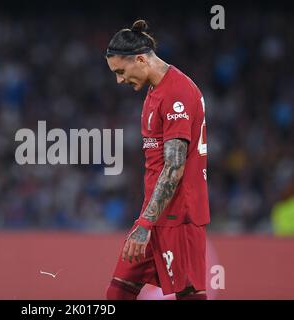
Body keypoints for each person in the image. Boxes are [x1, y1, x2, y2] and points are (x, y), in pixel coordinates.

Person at [105, 19, 210, 300]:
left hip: (179, 215)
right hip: (155, 214)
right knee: (118, 292)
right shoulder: (155, 89)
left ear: (139, 59)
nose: (119, 80)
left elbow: (174, 166)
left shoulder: (177, 92)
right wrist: (147, 219)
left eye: (120, 71)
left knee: (188, 294)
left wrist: (145, 224)